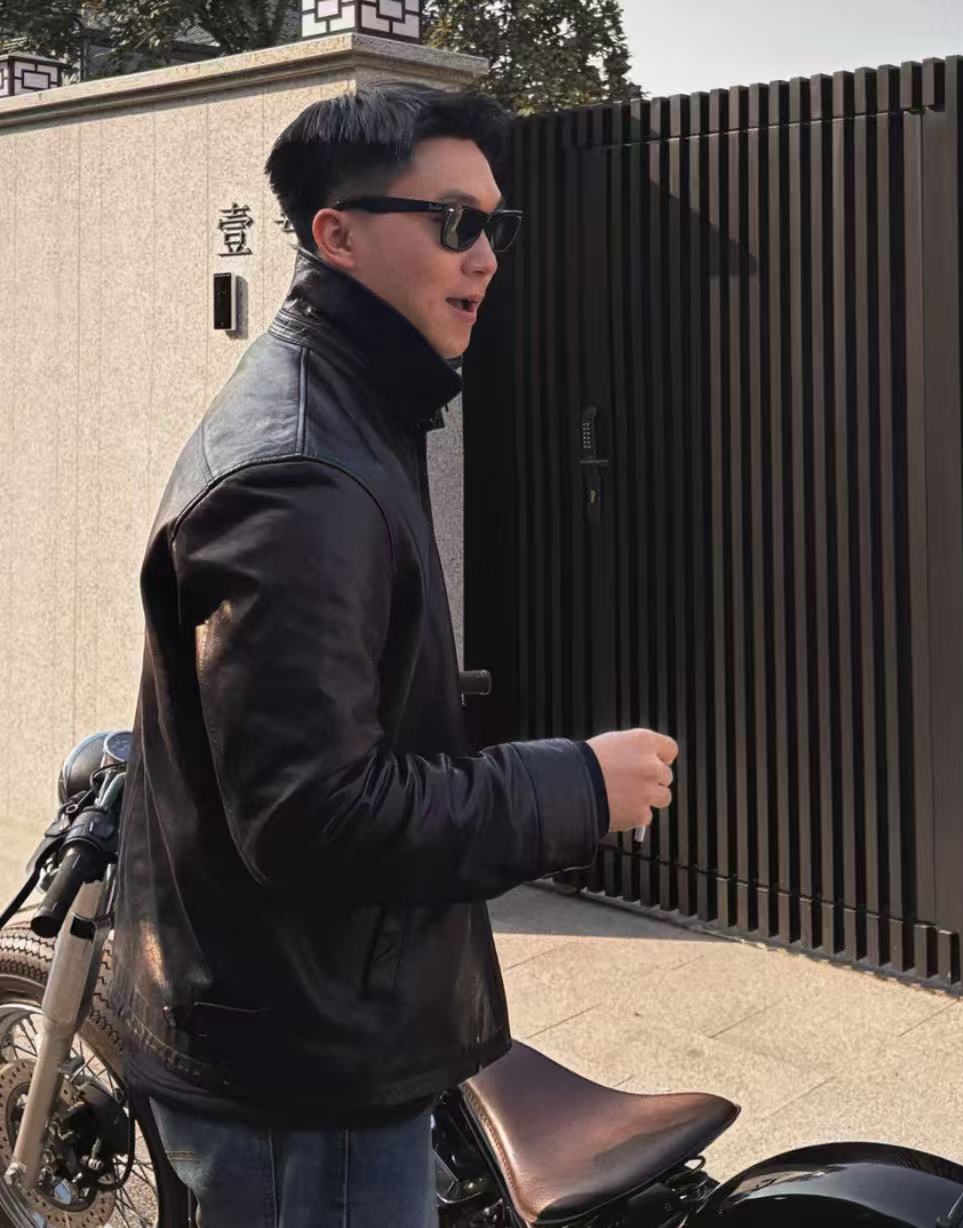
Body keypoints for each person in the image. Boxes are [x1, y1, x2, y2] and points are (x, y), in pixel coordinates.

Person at [109, 83, 678, 1228]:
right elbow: (312, 816)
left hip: (317, 1023)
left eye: (497, 227)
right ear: (339, 234)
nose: (486, 257)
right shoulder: (301, 472)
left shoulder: (354, 406)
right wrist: (575, 784)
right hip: (301, 1078)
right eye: (454, 221)